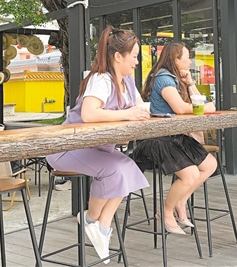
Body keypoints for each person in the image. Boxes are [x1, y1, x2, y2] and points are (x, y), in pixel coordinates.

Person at [46, 26, 150, 263]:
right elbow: (89, 114)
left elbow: (139, 108)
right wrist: (128, 115)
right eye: (134, 56)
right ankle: (93, 220)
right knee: (115, 169)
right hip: (67, 147)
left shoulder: (128, 82)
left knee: (128, 167)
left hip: (96, 148)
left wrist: (136, 116)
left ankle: (99, 224)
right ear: (118, 56)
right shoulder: (101, 79)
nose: (137, 61)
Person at [132, 42, 217, 235]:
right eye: (187, 57)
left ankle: (180, 201)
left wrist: (190, 83)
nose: (190, 61)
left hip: (175, 136)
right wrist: (206, 108)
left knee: (210, 165)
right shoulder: (164, 78)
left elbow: (198, 102)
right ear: (175, 59)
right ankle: (166, 211)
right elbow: (180, 107)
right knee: (191, 175)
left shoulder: (175, 79)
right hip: (159, 138)